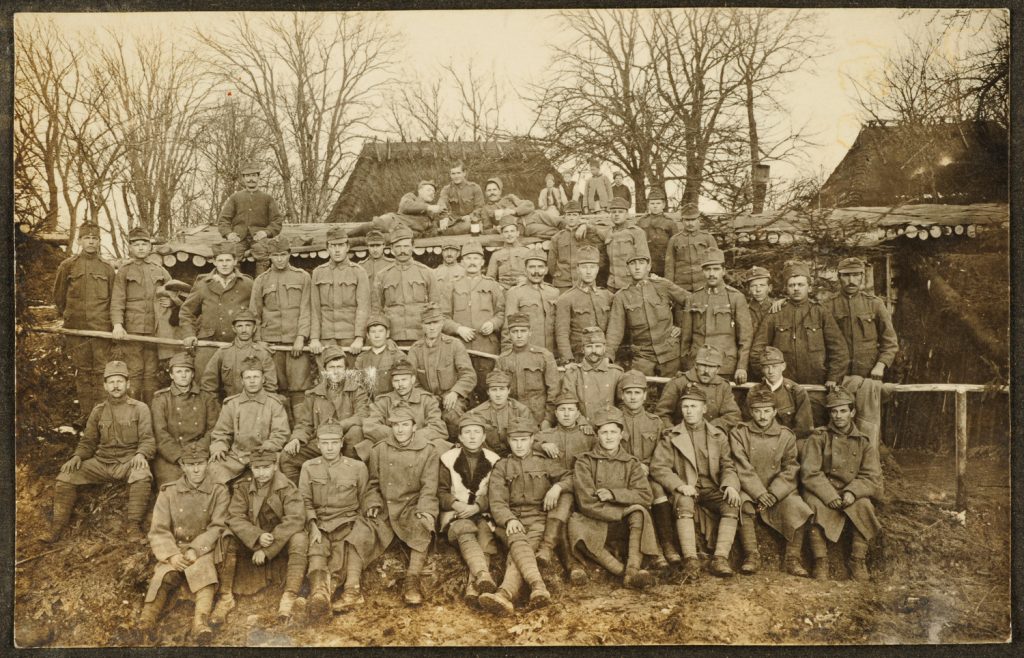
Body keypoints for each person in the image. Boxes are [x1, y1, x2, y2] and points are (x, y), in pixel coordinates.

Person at [43, 360, 155, 544]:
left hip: (128, 462)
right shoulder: (98, 410)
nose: (116, 386)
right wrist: (77, 456)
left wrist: (141, 454)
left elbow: (148, 439)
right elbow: (88, 441)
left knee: (142, 474)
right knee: (66, 475)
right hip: (101, 463)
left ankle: (133, 526)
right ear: (105, 386)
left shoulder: (140, 408)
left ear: (128, 384)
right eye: (111, 382)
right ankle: (56, 528)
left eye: (120, 381)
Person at [139, 443, 229, 644]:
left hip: (203, 548)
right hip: (175, 547)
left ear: (207, 463)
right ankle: (144, 623)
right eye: (191, 464)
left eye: (200, 463)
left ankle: (200, 623)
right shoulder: (168, 492)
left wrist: (195, 550)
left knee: (205, 575)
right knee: (163, 575)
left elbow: (218, 526)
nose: (196, 469)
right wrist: (171, 555)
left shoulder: (218, 491)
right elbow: (159, 529)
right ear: (183, 466)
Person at [650, 384, 742, 578]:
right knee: (684, 503)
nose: (689, 411)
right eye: (685, 407)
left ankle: (720, 558)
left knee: (731, 503)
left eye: (694, 406)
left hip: (712, 488)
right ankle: (690, 558)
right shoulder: (671, 436)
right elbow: (658, 467)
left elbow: (728, 466)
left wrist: (731, 485)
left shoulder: (718, 436)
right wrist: (680, 485)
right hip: (686, 489)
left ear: (704, 409)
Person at [301, 423, 391, 616]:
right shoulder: (308, 467)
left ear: (342, 443)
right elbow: (305, 501)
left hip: (348, 521)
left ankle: (347, 591)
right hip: (321, 523)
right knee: (317, 550)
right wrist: (313, 525)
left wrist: (371, 506)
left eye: (334, 443)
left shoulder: (357, 467)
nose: (330, 448)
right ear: (318, 444)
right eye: (325, 443)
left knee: (349, 545)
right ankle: (319, 593)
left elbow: (365, 494)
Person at [479, 417, 568, 615]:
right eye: (514, 440)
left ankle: (504, 593)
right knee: (519, 540)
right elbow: (496, 501)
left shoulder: (544, 462)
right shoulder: (502, 466)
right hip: (510, 519)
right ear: (508, 441)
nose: (519, 445)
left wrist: (557, 487)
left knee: (520, 549)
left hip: (538, 519)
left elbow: (570, 477)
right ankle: (538, 586)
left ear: (532, 440)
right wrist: (509, 519)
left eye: (523, 440)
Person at [211, 448, 308, 624]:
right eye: (257, 468)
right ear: (251, 468)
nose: (261, 473)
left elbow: (295, 519)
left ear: (275, 466)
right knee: (227, 537)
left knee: (299, 538)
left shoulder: (287, 487)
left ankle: (290, 595)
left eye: (266, 467)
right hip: (252, 542)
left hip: (279, 544)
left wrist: (267, 548)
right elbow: (235, 517)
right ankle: (225, 597)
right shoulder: (243, 486)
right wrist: (257, 538)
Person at [569, 405, 662, 588]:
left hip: (623, 523)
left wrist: (614, 494)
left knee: (639, 513)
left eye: (613, 432)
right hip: (595, 521)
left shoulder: (631, 463)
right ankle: (622, 572)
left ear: (621, 435)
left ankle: (632, 569)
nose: (609, 437)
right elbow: (586, 502)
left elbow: (645, 495)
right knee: (575, 527)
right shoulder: (584, 462)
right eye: (604, 432)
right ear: (597, 435)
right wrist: (618, 512)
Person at [729, 385, 813, 577]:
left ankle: (792, 558)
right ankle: (751, 555)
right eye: (757, 411)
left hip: (777, 491)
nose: (762, 416)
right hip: (750, 488)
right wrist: (759, 492)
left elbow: (791, 468)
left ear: (775, 412)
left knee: (798, 507)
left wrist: (774, 493)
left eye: (767, 411)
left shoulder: (786, 435)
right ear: (751, 412)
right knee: (742, 505)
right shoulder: (739, 433)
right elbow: (741, 466)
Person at [800, 386, 883, 581]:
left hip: (850, 491)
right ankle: (821, 560)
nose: (838, 416)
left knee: (864, 506)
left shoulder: (863, 442)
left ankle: (857, 560)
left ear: (852, 413)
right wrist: (829, 495)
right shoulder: (819, 437)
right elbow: (810, 472)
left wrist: (852, 492)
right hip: (822, 490)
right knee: (814, 506)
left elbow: (871, 475)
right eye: (834, 411)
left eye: (843, 410)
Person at [751, 262, 848, 425]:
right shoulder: (775, 313)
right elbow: (757, 349)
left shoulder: (820, 312)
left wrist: (833, 377)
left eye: (800, 285)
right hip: (783, 389)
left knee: (814, 427)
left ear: (809, 287)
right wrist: (766, 376)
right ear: (786, 288)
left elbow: (839, 349)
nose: (796, 289)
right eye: (791, 285)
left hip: (815, 387)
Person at [366, 406, 440, 606]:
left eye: (405, 425)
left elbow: (429, 487)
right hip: (386, 505)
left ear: (414, 427)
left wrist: (425, 510)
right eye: (396, 425)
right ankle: (351, 588)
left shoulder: (428, 450)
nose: (400, 430)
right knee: (361, 531)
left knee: (421, 525)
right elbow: (373, 484)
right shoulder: (379, 449)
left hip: (412, 504)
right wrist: (373, 502)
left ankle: (412, 580)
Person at [617, 370, 681, 564]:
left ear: (645, 395)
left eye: (637, 393)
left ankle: (667, 543)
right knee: (644, 494)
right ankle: (656, 550)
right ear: (622, 395)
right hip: (623, 475)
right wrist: (635, 466)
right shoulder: (614, 420)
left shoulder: (655, 422)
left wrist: (648, 467)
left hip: (650, 473)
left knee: (657, 490)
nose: (633, 397)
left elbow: (662, 453)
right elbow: (610, 450)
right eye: (629, 393)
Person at [53, 222, 114, 420]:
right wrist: (70, 316)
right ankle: (86, 415)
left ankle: (101, 415)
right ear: (80, 241)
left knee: (101, 370)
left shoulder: (107, 268)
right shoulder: (68, 266)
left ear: (99, 242)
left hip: (100, 328)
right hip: (76, 329)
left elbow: (114, 299)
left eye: (95, 238)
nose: (91, 242)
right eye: (87, 238)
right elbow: (59, 296)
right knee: (83, 370)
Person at [438, 414, 501, 603]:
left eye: (476, 432)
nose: (472, 436)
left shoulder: (494, 459)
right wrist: (456, 504)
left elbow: (497, 492)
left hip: (482, 512)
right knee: (464, 529)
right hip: (456, 513)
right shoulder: (448, 458)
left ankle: (473, 588)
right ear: (460, 437)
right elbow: (440, 491)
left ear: (484, 437)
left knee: (484, 535)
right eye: (467, 432)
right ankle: (482, 574)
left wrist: (477, 506)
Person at [281, 345, 370, 480]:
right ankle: (300, 491)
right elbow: (305, 423)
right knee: (287, 457)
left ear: (346, 369)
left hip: (346, 443)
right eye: (331, 367)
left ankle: (347, 481)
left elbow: (362, 415)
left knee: (356, 431)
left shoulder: (357, 390)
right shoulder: (314, 394)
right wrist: (296, 438)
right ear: (325, 370)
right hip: (321, 442)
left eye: (339, 367)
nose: (336, 371)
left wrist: (338, 426)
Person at [532, 392, 593, 579]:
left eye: (571, 410)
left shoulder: (589, 437)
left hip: (583, 489)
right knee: (564, 504)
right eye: (562, 410)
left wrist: (559, 486)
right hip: (552, 492)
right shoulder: (545, 436)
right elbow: (527, 441)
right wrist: (542, 444)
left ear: (578, 414)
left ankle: (547, 547)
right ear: (556, 414)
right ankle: (572, 566)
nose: (566, 414)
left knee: (564, 498)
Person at [250, 236, 312, 414]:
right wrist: (259, 340)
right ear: (269, 256)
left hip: (295, 343)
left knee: (299, 386)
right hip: (271, 344)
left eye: (283, 255)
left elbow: (306, 309)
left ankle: (300, 424)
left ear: (289, 254)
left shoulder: (302, 277)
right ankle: (281, 423)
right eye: (275, 255)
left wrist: (301, 337)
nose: (279, 259)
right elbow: (255, 313)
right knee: (276, 385)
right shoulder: (261, 280)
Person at [605, 250, 691, 377]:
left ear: (649, 266)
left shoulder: (663, 285)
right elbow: (615, 330)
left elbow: (690, 300)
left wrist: (681, 325)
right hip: (642, 357)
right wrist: (608, 356)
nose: (637, 267)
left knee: (673, 387)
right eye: (633, 264)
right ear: (627, 269)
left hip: (670, 353)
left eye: (641, 262)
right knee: (637, 385)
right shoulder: (622, 296)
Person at [110, 226, 170, 404]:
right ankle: (133, 410)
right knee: (135, 371)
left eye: (144, 244)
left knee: (151, 372)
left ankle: (150, 412)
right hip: (132, 329)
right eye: (136, 244)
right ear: (130, 248)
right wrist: (118, 325)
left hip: (154, 329)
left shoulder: (159, 270)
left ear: (150, 247)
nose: (141, 248)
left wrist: (171, 301)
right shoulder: (124, 271)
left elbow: (176, 291)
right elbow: (117, 300)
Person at [206, 360, 290, 485]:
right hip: (237, 456)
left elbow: (280, 433)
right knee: (214, 469)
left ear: (263, 379)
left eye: (256, 377)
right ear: (242, 381)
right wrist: (219, 448)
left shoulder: (274, 403)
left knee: (278, 481)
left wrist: (266, 448)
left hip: (265, 454)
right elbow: (221, 432)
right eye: (248, 377)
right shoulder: (232, 404)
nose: (252, 381)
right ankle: (222, 497)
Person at [442, 240, 505, 402]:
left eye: (476, 258)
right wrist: (458, 329)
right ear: (462, 262)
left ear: (482, 262)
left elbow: (502, 313)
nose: (472, 262)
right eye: (468, 258)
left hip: (486, 348)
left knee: (487, 389)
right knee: (463, 391)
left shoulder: (492, 285)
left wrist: (493, 324)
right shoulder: (451, 286)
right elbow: (442, 317)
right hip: (460, 348)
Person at [180, 241, 253, 381]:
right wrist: (189, 334)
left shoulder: (247, 284)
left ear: (235, 261)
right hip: (208, 343)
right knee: (205, 382)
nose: (224, 264)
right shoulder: (203, 284)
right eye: (220, 260)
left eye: (228, 260)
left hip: (237, 343)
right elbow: (187, 312)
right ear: (214, 262)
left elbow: (256, 313)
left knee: (237, 383)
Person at [680, 248, 752, 383]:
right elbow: (686, 337)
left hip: (724, 365)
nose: (711, 274)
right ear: (702, 271)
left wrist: (741, 367)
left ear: (723, 271)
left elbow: (745, 338)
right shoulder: (693, 298)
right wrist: (685, 364)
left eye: (716, 269)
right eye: (707, 269)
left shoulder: (736, 298)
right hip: (697, 364)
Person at [407, 303, 477, 437]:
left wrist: (455, 392)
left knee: (452, 415)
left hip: (452, 396)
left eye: (436, 322)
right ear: (422, 326)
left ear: (442, 323)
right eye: (428, 323)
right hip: (426, 397)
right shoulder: (415, 349)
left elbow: (468, 375)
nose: (432, 327)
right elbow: (411, 380)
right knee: (416, 419)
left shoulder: (454, 344)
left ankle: (455, 445)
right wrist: (426, 397)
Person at [823, 257, 899, 380]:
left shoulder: (875, 304)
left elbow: (890, 342)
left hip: (870, 375)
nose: (851, 280)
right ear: (839, 277)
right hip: (837, 377)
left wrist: (880, 366)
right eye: (846, 275)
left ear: (862, 276)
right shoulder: (827, 306)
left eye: (855, 275)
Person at [151, 352, 220, 486]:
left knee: (211, 482)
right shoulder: (161, 399)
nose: (183, 375)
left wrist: (199, 451)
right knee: (172, 486)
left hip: (201, 452)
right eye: (179, 371)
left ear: (193, 374)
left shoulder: (206, 397)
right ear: (171, 375)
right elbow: (160, 434)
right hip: (172, 455)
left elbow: (214, 429)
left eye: (187, 371)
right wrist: (179, 456)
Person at [360, 359, 451, 460]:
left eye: (404, 380)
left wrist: (411, 436)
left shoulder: (427, 399)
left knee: (441, 446)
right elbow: (370, 426)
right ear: (392, 383)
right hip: (390, 445)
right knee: (364, 447)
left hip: (420, 444)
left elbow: (438, 428)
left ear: (413, 380)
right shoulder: (384, 400)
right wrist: (398, 435)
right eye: (396, 381)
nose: (400, 385)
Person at [309, 226, 371, 367]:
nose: (337, 250)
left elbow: (363, 308)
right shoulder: (318, 273)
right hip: (326, 337)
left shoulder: (358, 272)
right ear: (327, 248)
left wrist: (359, 337)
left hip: (350, 337)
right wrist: (314, 338)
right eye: (333, 246)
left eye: (341, 245)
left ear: (347, 247)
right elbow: (315, 308)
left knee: (351, 375)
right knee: (328, 376)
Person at [372, 225, 440, 346]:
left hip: (421, 338)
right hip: (392, 339)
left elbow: (435, 308)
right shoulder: (382, 276)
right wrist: (385, 339)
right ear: (392, 249)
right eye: (398, 247)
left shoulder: (427, 273)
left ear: (413, 247)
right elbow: (377, 311)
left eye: (406, 246)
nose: (402, 250)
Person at [653, 345, 742, 431]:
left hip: (712, 434)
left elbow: (733, 415)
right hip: (681, 435)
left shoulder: (723, 386)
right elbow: (662, 413)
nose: (706, 371)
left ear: (718, 369)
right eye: (703, 365)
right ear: (695, 365)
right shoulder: (679, 382)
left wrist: (712, 429)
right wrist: (673, 432)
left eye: (711, 366)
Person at [217, 161, 284, 275]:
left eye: (253, 175)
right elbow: (223, 220)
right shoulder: (235, 198)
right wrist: (229, 234)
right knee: (231, 255)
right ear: (243, 178)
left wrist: (266, 232)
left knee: (263, 253)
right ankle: (236, 283)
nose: (251, 179)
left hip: (260, 238)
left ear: (258, 177)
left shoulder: (267, 198)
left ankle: (260, 283)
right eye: (248, 176)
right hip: (238, 238)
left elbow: (277, 221)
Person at [496, 312, 561, 428]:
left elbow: (554, 390)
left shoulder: (544, 356)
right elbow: (497, 392)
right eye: (514, 331)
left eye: (523, 331)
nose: (519, 335)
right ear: (509, 334)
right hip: (512, 418)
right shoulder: (502, 359)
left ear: (530, 332)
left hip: (538, 417)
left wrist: (548, 420)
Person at [200, 309, 277, 400]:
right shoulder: (223, 352)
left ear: (254, 328)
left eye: (248, 325)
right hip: (230, 403)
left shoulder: (262, 354)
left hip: (256, 403)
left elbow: (270, 387)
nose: (244, 330)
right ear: (234, 329)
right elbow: (208, 384)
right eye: (240, 326)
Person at [554, 246, 613, 364]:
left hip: (603, 358)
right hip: (579, 357)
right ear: (577, 269)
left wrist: (609, 356)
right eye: (584, 267)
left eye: (592, 267)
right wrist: (568, 360)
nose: (588, 271)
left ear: (597, 269)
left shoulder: (608, 296)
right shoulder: (566, 298)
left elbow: (614, 330)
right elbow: (562, 333)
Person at [559, 326, 623, 421]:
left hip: (609, 424)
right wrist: (582, 423)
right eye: (589, 346)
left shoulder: (616, 373)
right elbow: (569, 405)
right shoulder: (573, 373)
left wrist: (612, 424)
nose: (594, 351)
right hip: (582, 425)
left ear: (604, 348)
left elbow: (622, 405)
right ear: (583, 349)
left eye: (598, 346)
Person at [467, 370, 535, 457]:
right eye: (494, 390)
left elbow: (533, 436)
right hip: (487, 456)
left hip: (515, 455)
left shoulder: (521, 410)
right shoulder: (477, 412)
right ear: (488, 392)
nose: (498, 394)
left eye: (502, 389)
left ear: (508, 390)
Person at [503, 252, 559, 353]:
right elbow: (508, 328)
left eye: (540, 267)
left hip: (551, 353)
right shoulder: (515, 292)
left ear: (546, 270)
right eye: (532, 267)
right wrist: (508, 354)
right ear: (525, 270)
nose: (536, 271)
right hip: (526, 352)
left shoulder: (554, 292)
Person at [756, 347, 814, 441]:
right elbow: (749, 423)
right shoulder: (755, 391)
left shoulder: (797, 391)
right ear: (762, 369)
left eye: (774, 366)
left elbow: (803, 428)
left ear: (783, 366)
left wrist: (783, 442)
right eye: (766, 367)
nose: (770, 371)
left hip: (788, 442)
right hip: (761, 441)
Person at [349, 180, 443, 238]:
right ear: (420, 191)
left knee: (374, 239)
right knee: (373, 226)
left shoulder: (431, 213)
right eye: (429, 190)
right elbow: (405, 206)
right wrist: (427, 207)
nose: (432, 193)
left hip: (401, 234)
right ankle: (346, 236)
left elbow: (432, 230)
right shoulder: (410, 197)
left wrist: (440, 228)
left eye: (434, 192)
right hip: (391, 222)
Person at [547, 202, 605, 292]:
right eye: (569, 215)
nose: (571, 218)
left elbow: (602, 244)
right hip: (563, 283)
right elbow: (551, 262)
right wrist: (557, 275)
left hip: (583, 282)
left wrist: (586, 226)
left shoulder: (587, 234)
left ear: (579, 216)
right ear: (564, 216)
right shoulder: (557, 237)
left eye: (574, 215)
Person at [595, 197, 649, 292]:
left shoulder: (636, 232)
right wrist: (583, 226)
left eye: (620, 212)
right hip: (612, 284)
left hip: (630, 284)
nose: (616, 214)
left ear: (626, 214)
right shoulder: (608, 232)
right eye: (613, 212)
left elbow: (645, 261)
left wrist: (642, 283)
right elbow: (594, 230)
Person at [665, 203, 719, 293]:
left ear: (698, 220)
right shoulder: (674, 240)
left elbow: (716, 264)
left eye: (693, 220)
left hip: (703, 285)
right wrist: (670, 288)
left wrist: (716, 285)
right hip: (681, 287)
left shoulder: (708, 238)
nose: (690, 223)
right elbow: (669, 267)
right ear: (682, 220)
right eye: (687, 220)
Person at [353, 313, 404, 399]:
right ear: (368, 335)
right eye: (373, 332)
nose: (377, 335)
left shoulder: (398, 356)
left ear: (387, 334)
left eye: (380, 331)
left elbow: (403, 386)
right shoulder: (361, 359)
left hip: (391, 402)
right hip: (367, 403)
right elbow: (357, 387)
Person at [744, 266, 777, 381]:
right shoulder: (743, 310)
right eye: (753, 286)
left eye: (762, 285)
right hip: (749, 365)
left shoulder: (777, 308)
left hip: (773, 364)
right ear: (748, 289)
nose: (758, 290)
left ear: (769, 288)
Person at [634, 189, 678, 278]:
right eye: (652, 203)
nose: (655, 206)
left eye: (658, 203)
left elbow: (675, 243)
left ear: (663, 205)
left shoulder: (669, 222)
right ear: (648, 205)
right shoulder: (641, 222)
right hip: (645, 261)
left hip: (663, 262)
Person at [486, 216, 532, 289]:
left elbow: (533, 274)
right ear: (502, 235)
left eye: (512, 231)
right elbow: (490, 278)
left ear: (517, 233)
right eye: (506, 232)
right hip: (503, 288)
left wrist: (526, 281)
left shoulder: (527, 252)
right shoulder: (496, 255)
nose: (509, 234)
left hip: (523, 287)